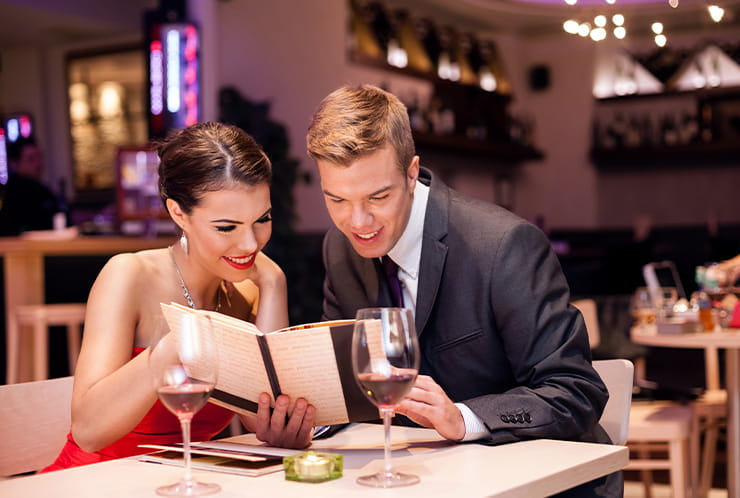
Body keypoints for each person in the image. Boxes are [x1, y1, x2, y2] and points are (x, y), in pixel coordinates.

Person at [306, 84, 620, 496]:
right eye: (337, 200)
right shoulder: (340, 248)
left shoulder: (503, 246)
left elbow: (575, 390)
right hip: (420, 481)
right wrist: (312, 417)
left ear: (412, 171)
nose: (358, 222)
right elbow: (346, 385)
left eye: (378, 196)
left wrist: (465, 418)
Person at [43, 122, 314, 471]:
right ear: (178, 213)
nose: (250, 244)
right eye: (227, 227)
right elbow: (88, 432)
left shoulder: (247, 291)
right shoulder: (130, 275)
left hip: (189, 482)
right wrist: (173, 346)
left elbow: (262, 418)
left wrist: (275, 283)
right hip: (93, 482)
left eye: (262, 219)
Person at [0, 137, 60, 236]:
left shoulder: (43, 190)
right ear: (15, 163)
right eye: (31, 159)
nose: (38, 164)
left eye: (40, 157)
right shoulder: (9, 193)